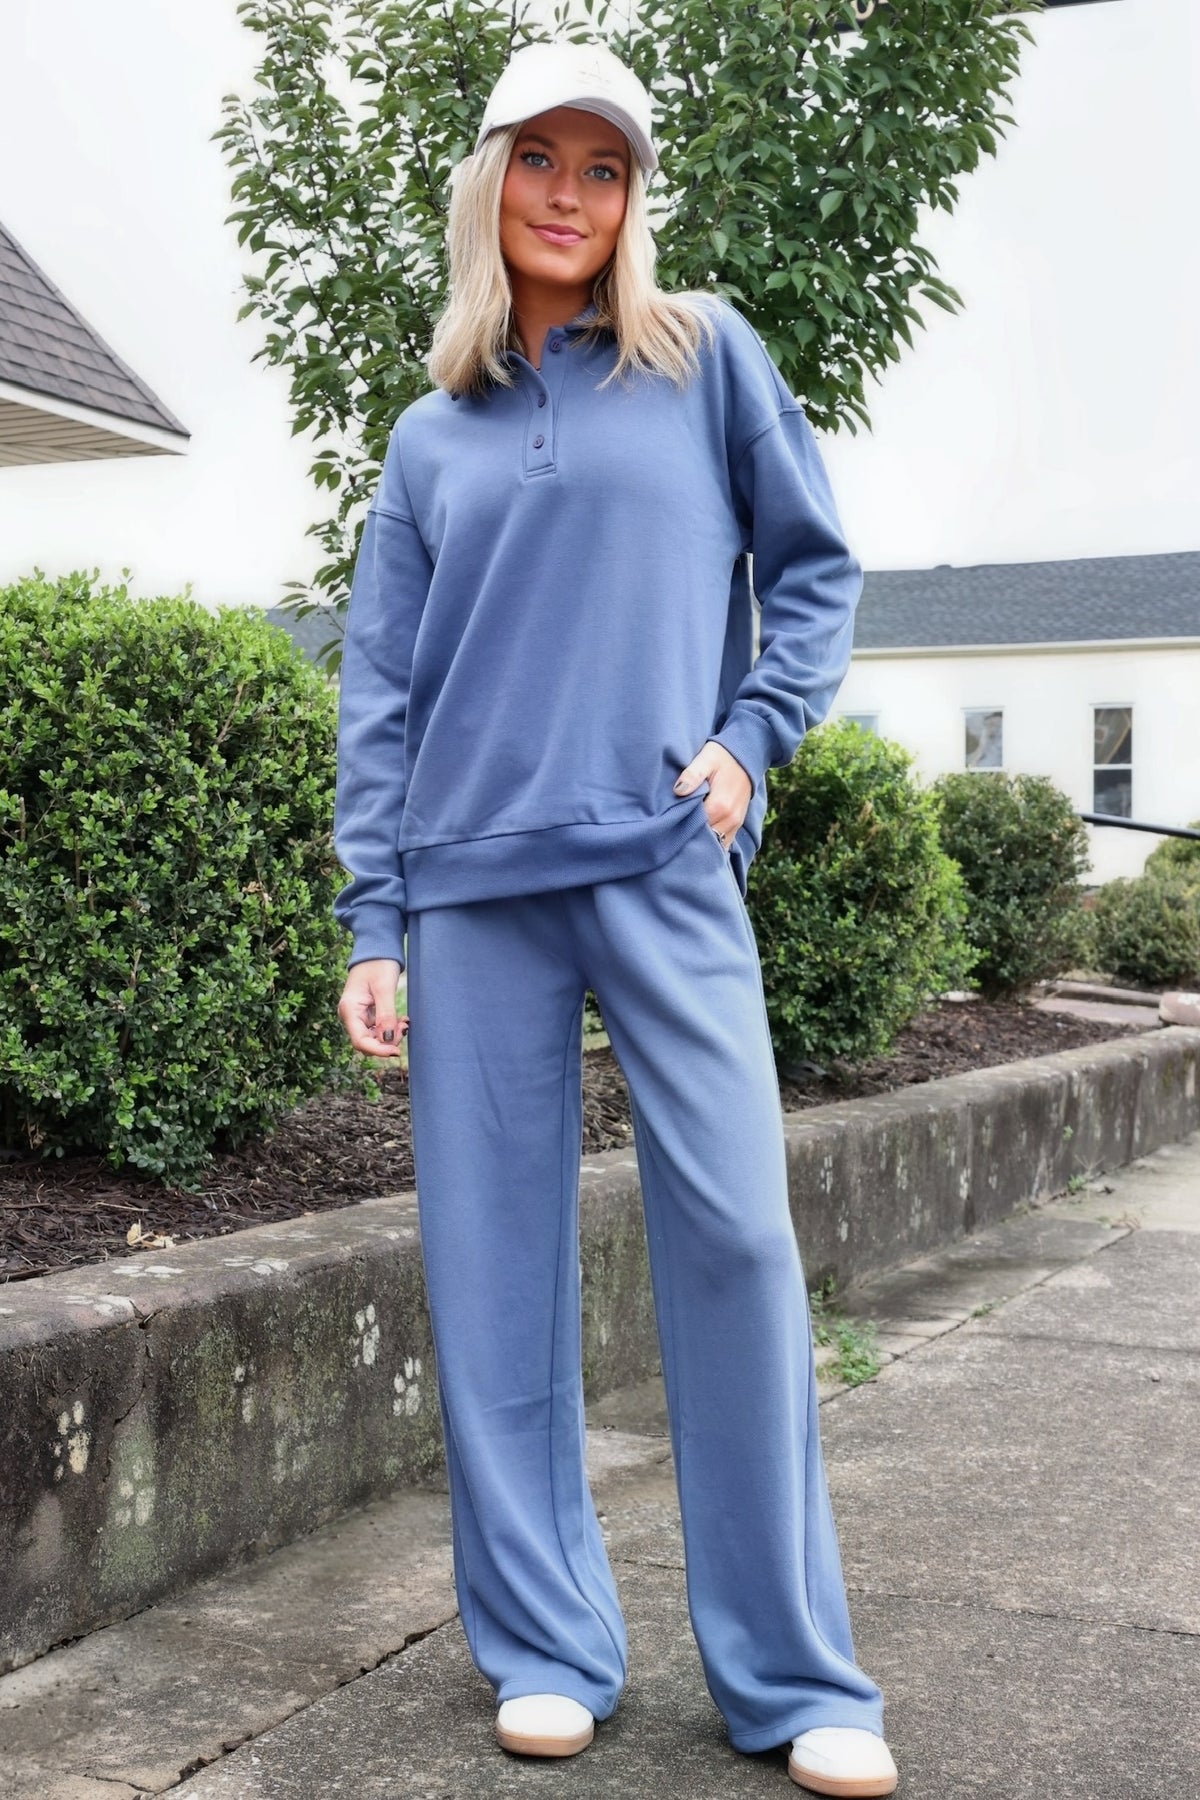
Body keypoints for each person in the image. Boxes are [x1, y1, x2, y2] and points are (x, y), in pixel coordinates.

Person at [332, 36, 899, 1798]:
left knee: (737, 1243)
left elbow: (814, 568)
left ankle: (794, 1678)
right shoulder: (430, 436)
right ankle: (548, 1648)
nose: (569, 195)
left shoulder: (705, 356)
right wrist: (372, 919)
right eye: (540, 159)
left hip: (662, 862)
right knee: (492, 1277)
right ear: (488, 179)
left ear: (635, 198)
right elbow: (380, 694)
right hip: (469, 897)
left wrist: (751, 741)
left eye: (605, 168)